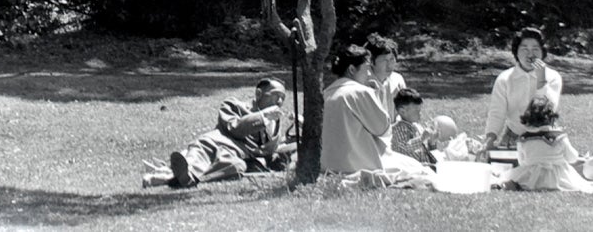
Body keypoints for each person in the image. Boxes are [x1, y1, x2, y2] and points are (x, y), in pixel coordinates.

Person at [142, 78, 294, 188]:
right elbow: (235, 129)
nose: (279, 102)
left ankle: (172, 177)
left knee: (236, 167)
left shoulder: (276, 122)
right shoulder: (234, 105)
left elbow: (270, 149)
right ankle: (181, 171)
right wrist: (263, 117)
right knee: (204, 148)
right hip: (219, 143)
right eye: (275, 96)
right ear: (259, 93)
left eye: (282, 98)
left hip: (240, 157)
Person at [321, 44, 432, 183]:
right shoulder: (359, 91)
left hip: (328, 165)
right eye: (367, 69)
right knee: (417, 168)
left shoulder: (326, 93)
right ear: (351, 69)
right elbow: (383, 129)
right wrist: (375, 94)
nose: (369, 74)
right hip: (356, 164)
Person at [499, 96, 593, 192]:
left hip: (532, 176)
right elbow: (572, 158)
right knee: (579, 183)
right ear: (552, 118)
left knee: (509, 177)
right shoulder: (559, 137)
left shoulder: (523, 139)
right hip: (558, 176)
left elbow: (522, 162)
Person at [483, 27, 563, 151]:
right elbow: (497, 112)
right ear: (516, 52)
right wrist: (490, 139)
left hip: (546, 137)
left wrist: (541, 80)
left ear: (542, 52)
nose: (530, 54)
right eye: (524, 49)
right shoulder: (505, 79)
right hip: (514, 136)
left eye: (535, 49)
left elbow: (547, 110)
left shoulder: (553, 77)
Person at [365, 33, 406, 124]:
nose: (389, 65)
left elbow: (405, 110)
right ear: (371, 61)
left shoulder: (397, 80)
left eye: (392, 59)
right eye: (384, 60)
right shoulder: (364, 83)